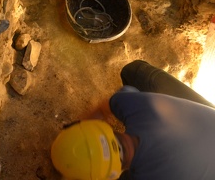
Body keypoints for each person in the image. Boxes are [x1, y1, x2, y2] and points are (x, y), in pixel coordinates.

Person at [50, 60, 215, 180]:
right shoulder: (144, 112)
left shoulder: (146, 175)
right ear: (106, 127)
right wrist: (82, 131)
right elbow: (104, 108)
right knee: (134, 71)